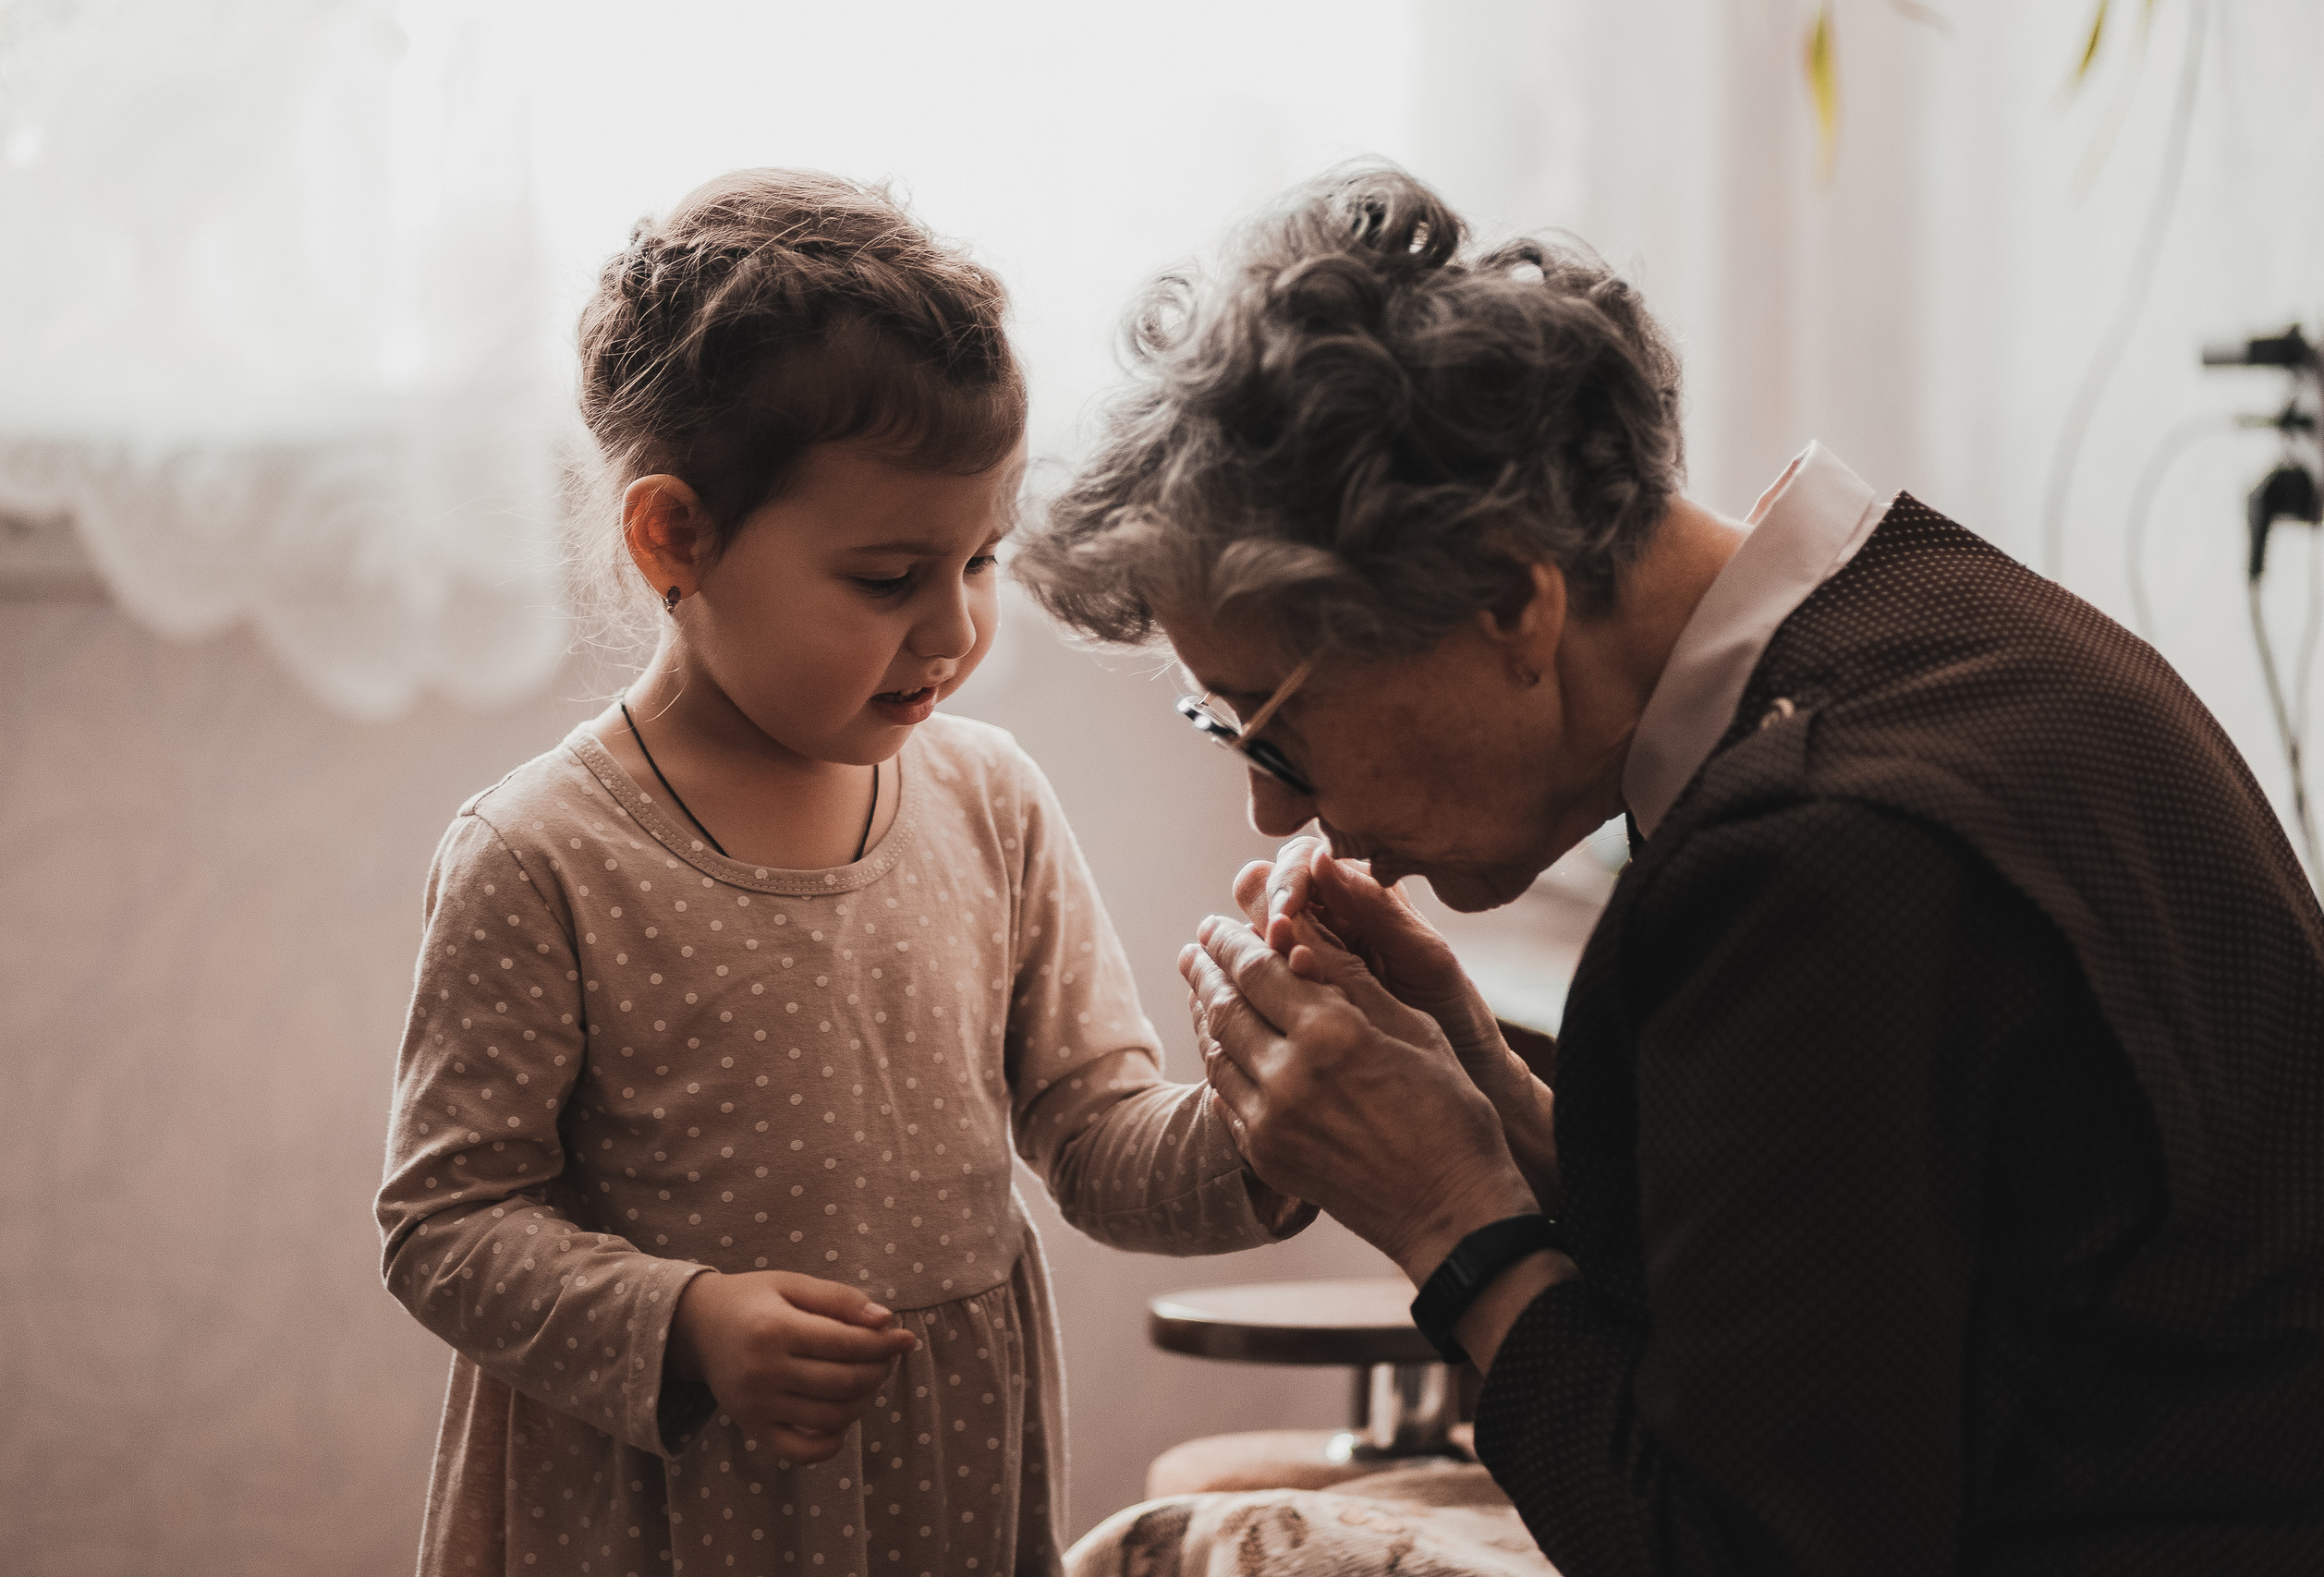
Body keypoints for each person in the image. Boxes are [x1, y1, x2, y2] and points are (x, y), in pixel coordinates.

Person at [1014, 164, 2324, 1574]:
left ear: (1509, 601)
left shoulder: (1815, 852)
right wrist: (1489, 1093)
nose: (1274, 811)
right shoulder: (1937, 627)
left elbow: (1725, 1547)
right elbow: (1811, 1292)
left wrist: (1448, 1220)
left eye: (1272, 726)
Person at [374, 169, 1308, 1577]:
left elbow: (1097, 1137)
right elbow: (446, 1226)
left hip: (937, 1488)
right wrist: (685, 1322)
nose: (954, 630)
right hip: (659, 1515)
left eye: (980, 561)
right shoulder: (544, 856)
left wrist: (1275, 1124)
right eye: (886, 579)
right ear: (675, 537)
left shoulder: (991, 803)